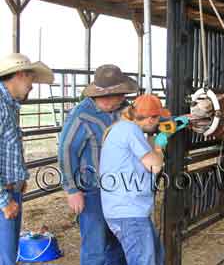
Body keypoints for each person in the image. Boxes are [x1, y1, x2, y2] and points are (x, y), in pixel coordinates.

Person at [58, 64, 137, 265]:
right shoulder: (81, 115)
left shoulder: (123, 110)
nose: (122, 99)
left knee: (118, 242)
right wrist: (72, 190)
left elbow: (147, 122)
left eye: (122, 95)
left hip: (120, 188)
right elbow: (67, 151)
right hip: (92, 190)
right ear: (105, 95)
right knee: (95, 248)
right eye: (119, 95)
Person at [100, 94, 172, 265]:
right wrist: (160, 144)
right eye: (158, 118)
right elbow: (155, 165)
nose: (158, 122)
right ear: (150, 119)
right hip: (129, 213)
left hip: (126, 210)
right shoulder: (129, 130)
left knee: (155, 255)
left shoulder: (123, 128)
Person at [0, 53, 54, 265]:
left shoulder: (9, 104)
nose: (32, 86)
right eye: (32, 79)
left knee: (9, 254)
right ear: (21, 74)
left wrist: (20, 177)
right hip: (4, 193)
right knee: (5, 257)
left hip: (11, 188)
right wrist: (4, 200)